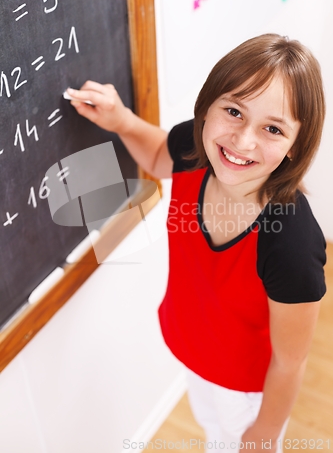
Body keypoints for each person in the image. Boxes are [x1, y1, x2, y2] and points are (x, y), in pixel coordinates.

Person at [68, 34, 327, 453]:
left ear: (295, 148)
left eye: (273, 128)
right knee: (212, 435)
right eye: (233, 111)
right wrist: (119, 120)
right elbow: (154, 155)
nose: (242, 141)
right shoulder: (198, 145)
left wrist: (264, 431)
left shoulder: (291, 245)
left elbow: (290, 360)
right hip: (197, 354)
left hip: (248, 390)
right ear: (206, 109)